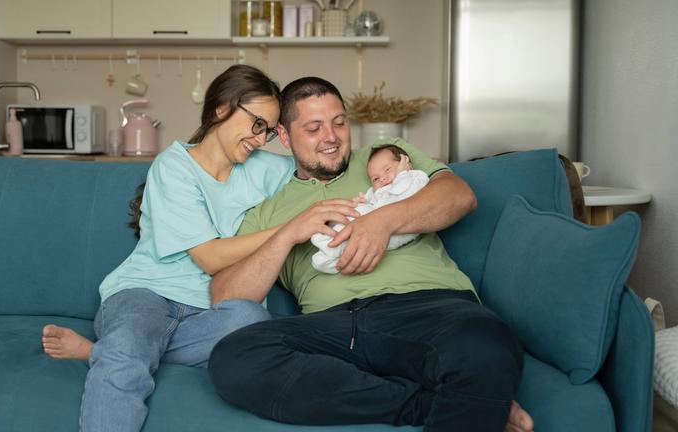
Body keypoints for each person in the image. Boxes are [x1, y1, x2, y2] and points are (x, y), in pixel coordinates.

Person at [207, 76, 535, 432]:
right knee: (234, 357)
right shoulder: (268, 210)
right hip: (333, 328)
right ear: (285, 136)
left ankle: (469, 395)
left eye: (339, 122)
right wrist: (290, 233)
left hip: (427, 308)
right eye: (314, 128)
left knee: (485, 341)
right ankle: (430, 403)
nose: (331, 137)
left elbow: (459, 196)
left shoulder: (383, 160)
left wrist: (381, 222)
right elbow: (226, 296)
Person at [41, 64, 302, 432]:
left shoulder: (267, 169)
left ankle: (104, 352)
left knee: (252, 321)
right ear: (222, 108)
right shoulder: (174, 167)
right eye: (257, 124)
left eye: (269, 132)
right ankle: (124, 350)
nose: (261, 139)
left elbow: (320, 171)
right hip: (146, 294)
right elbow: (210, 257)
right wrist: (287, 232)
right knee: (133, 336)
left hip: (211, 312)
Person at [310, 144, 430, 273]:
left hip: (395, 230)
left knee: (354, 232)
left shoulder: (415, 177)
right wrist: (360, 202)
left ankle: (331, 244)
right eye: (375, 179)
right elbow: (372, 202)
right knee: (352, 216)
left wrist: (403, 173)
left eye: (388, 169)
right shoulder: (378, 191)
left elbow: (406, 193)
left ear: (405, 163)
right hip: (371, 224)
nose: (382, 179)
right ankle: (330, 254)